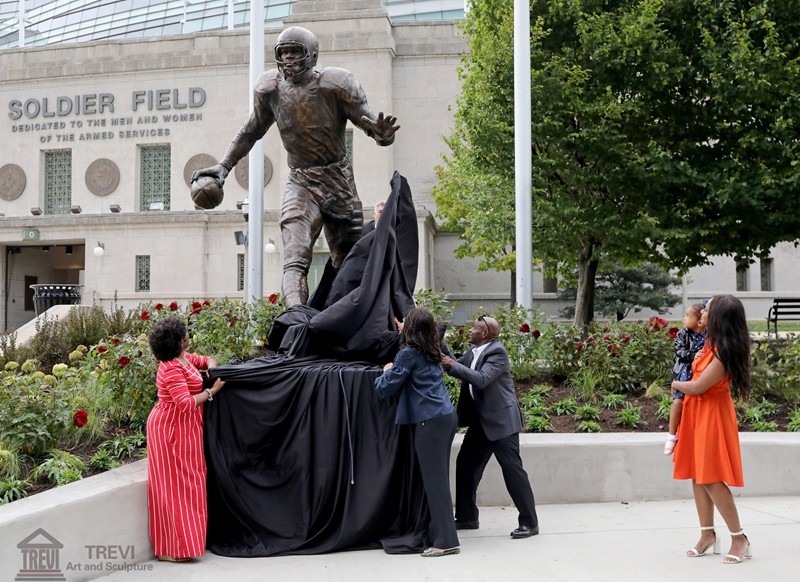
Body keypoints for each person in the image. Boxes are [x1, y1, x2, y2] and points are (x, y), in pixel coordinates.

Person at [192, 26, 400, 308]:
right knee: (295, 257)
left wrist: (381, 133)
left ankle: (345, 320)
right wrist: (224, 166)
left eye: (295, 51)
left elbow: (368, 122)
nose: (289, 58)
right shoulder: (270, 89)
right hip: (301, 180)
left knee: (350, 261)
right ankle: (296, 320)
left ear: (312, 55)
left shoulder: (336, 84)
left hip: (338, 180)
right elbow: (251, 130)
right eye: (284, 52)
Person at [441, 316, 539, 539]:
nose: (470, 329)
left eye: (475, 328)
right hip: (481, 422)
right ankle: (467, 517)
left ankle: (530, 523)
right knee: (465, 465)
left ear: (484, 334)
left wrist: (451, 364)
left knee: (513, 471)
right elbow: (455, 366)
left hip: (502, 422)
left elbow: (481, 379)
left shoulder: (497, 352)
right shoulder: (474, 352)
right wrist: (441, 346)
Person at [672, 294, 752, 564]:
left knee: (711, 477)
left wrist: (675, 385)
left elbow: (697, 386)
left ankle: (739, 537)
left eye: (706, 310)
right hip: (697, 413)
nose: (702, 312)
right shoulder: (709, 343)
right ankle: (707, 535)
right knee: (697, 474)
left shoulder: (723, 351)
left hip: (712, 415)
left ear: (717, 317)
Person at [375, 308, 460, 557]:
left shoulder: (408, 355)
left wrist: (386, 370)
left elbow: (386, 388)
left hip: (429, 421)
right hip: (445, 417)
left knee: (436, 484)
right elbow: (436, 329)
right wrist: (410, 326)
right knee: (439, 479)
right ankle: (442, 534)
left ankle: (446, 541)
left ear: (410, 329)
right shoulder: (434, 349)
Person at [146, 316, 225, 562]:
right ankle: (172, 549)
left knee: (190, 482)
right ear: (180, 341)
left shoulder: (184, 359)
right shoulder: (170, 368)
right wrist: (211, 391)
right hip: (170, 429)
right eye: (185, 335)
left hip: (186, 428)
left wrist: (211, 369)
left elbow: (208, 360)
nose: (188, 337)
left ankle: (185, 545)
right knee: (174, 487)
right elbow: (184, 403)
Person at [664, 303, 706, 455]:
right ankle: (671, 435)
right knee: (678, 401)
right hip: (683, 372)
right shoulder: (683, 334)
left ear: (700, 320)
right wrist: (693, 356)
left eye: (688, 316)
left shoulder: (708, 336)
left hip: (699, 374)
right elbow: (679, 351)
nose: (684, 318)